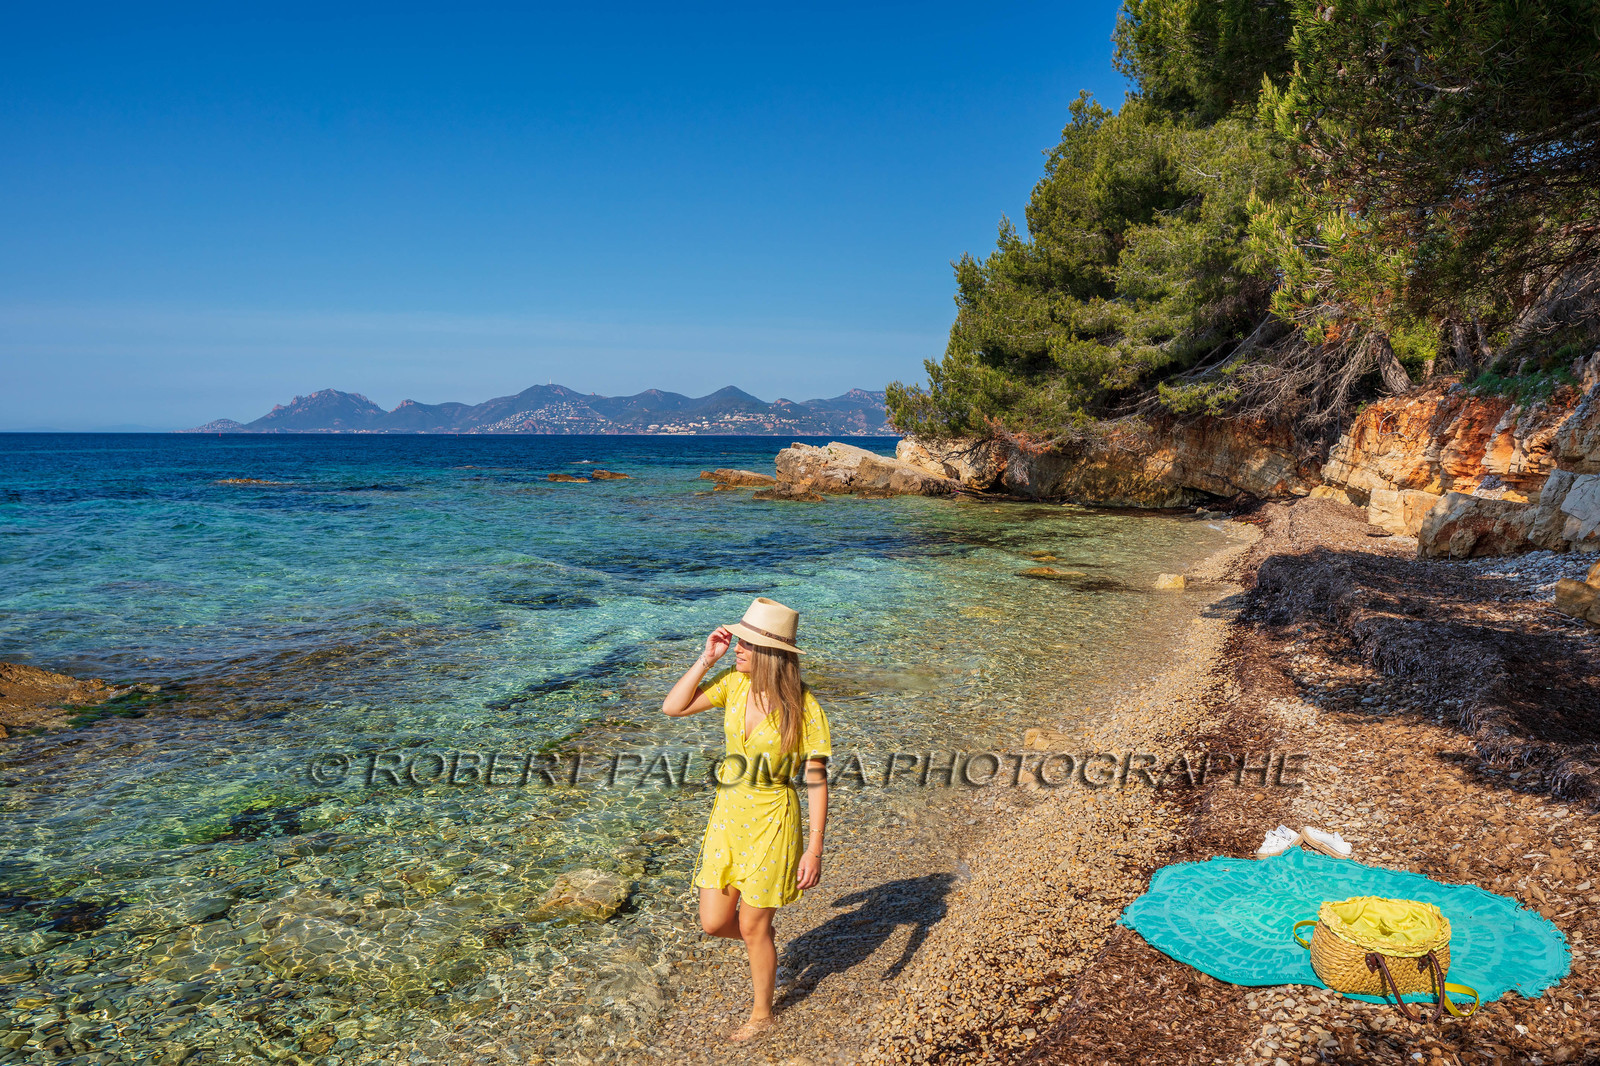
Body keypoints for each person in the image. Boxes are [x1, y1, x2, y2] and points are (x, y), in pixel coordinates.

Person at [661, 597, 831, 1042]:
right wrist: (705, 658)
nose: (736, 646)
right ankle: (763, 944)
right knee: (715, 923)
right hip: (728, 817)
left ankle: (762, 1014)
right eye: (738, 640)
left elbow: (816, 779)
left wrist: (814, 847)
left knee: (754, 925)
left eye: (746, 644)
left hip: (775, 820)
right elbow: (673, 708)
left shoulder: (804, 706)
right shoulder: (732, 684)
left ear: (771, 654)